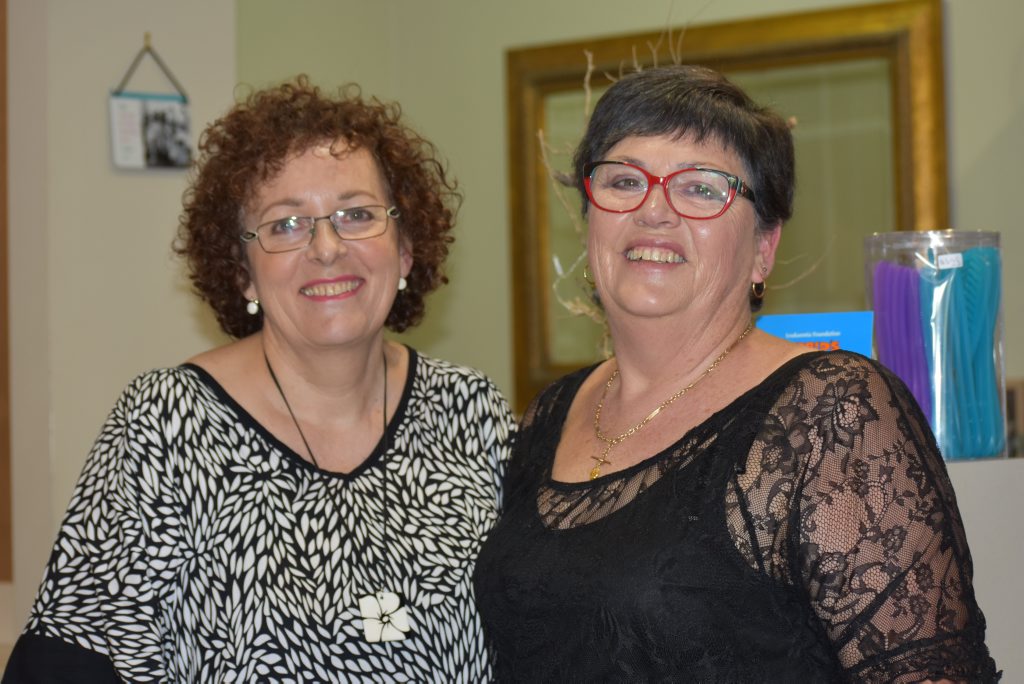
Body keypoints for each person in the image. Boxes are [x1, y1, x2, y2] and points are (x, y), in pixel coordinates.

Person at [473, 65, 998, 682]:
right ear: (590, 220)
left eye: (700, 189)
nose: (654, 212)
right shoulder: (552, 411)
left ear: (763, 247)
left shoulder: (832, 413)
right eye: (623, 181)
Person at [6, 76, 515, 682]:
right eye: (286, 225)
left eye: (356, 214)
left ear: (404, 248)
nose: (327, 248)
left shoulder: (472, 412)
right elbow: (66, 659)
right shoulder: (166, 425)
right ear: (242, 271)